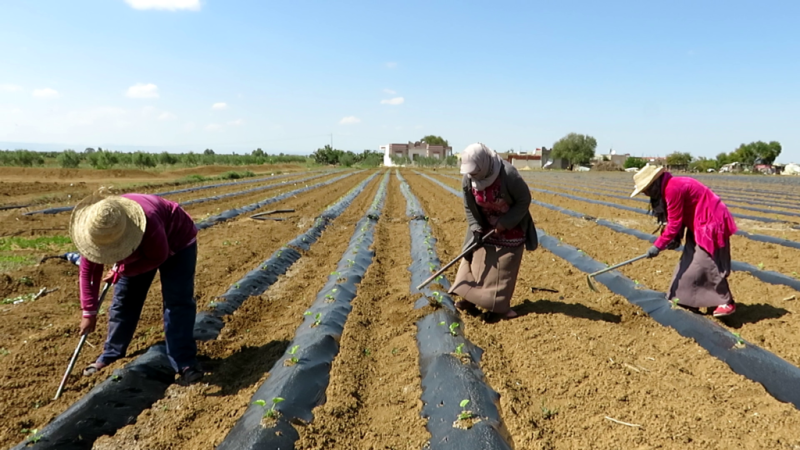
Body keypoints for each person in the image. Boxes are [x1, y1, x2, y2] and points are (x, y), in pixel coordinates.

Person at [70, 192, 203, 384]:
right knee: (124, 301)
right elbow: (88, 273)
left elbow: (158, 256)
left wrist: (122, 270)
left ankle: (184, 363)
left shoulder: (147, 221)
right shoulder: (94, 230)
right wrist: (89, 312)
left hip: (177, 241)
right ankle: (111, 355)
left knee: (177, 302)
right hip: (143, 245)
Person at [631, 165, 737, 317]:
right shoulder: (668, 187)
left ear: (654, 183)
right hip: (696, 223)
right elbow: (677, 220)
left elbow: (674, 224)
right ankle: (683, 299)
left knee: (705, 262)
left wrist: (657, 246)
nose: (646, 193)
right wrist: (672, 238)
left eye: (646, 189)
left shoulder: (672, 188)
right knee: (687, 263)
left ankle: (726, 301)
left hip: (710, 221)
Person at [448, 143, 538, 320]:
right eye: (470, 172)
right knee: (475, 262)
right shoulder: (468, 178)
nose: (472, 175)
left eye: (475, 172)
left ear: (483, 163)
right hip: (484, 224)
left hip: (510, 227)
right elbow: (468, 206)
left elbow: (524, 200)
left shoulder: (507, 174)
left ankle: (499, 307)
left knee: (502, 270)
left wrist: (505, 223)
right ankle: (469, 299)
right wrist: (475, 228)